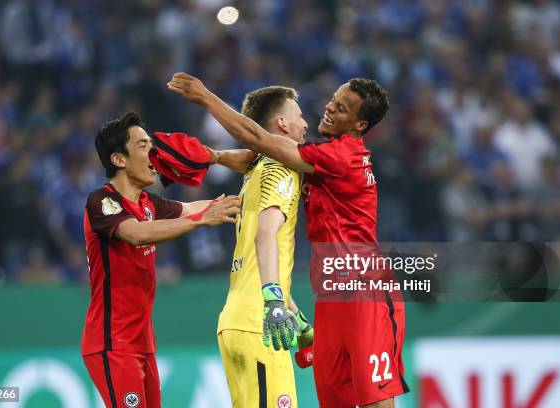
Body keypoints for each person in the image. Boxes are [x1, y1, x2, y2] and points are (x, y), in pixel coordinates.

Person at [168, 73, 409, 407]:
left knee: (374, 397)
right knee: (335, 399)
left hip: (365, 291)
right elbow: (257, 154)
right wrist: (214, 156)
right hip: (331, 297)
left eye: (341, 109)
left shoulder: (340, 158)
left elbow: (258, 139)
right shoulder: (320, 154)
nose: (328, 110)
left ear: (359, 125)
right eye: (333, 99)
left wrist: (206, 97)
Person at [81, 111, 239, 408]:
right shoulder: (102, 201)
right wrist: (201, 221)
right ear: (119, 160)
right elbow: (136, 234)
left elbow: (195, 207)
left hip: (142, 343)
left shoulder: (148, 202)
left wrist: (249, 200)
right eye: (143, 145)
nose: (153, 152)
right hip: (112, 343)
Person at [208, 86, 314, 408]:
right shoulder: (282, 168)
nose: (306, 124)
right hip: (262, 326)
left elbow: (265, 263)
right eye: (299, 116)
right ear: (282, 123)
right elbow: (265, 235)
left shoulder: (255, 172)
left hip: (238, 323)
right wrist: (273, 304)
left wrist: (304, 329)